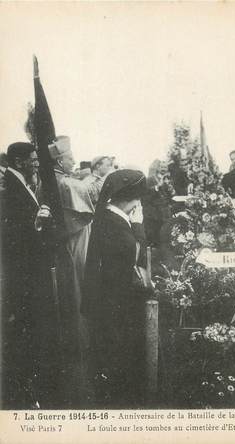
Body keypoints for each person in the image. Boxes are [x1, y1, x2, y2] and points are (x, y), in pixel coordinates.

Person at [82, 169, 151, 408]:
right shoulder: (114, 220)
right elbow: (135, 254)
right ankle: (119, 396)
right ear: (131, 199)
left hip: (110, 294)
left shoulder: (111, 216)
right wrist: (139, 226)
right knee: (116, 348)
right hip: (114, 298)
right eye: (138, 199)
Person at [0, 142, 56, 408]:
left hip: (27, 269)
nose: (37, 164)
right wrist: (37, 224)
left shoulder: (18, 182)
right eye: (33, 160)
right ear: (20, 161)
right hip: (23, 272)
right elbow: (11, 234)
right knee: (23, 329)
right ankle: (23, 390)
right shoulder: (8, 186)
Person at [48, 136, 95, 310]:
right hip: (75, 244)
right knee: (77, 286)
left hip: (61, 245)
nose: (74, 161)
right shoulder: (69, 184)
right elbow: (84, 218)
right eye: (70, 158)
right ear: (59, 161)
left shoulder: (48, 181)